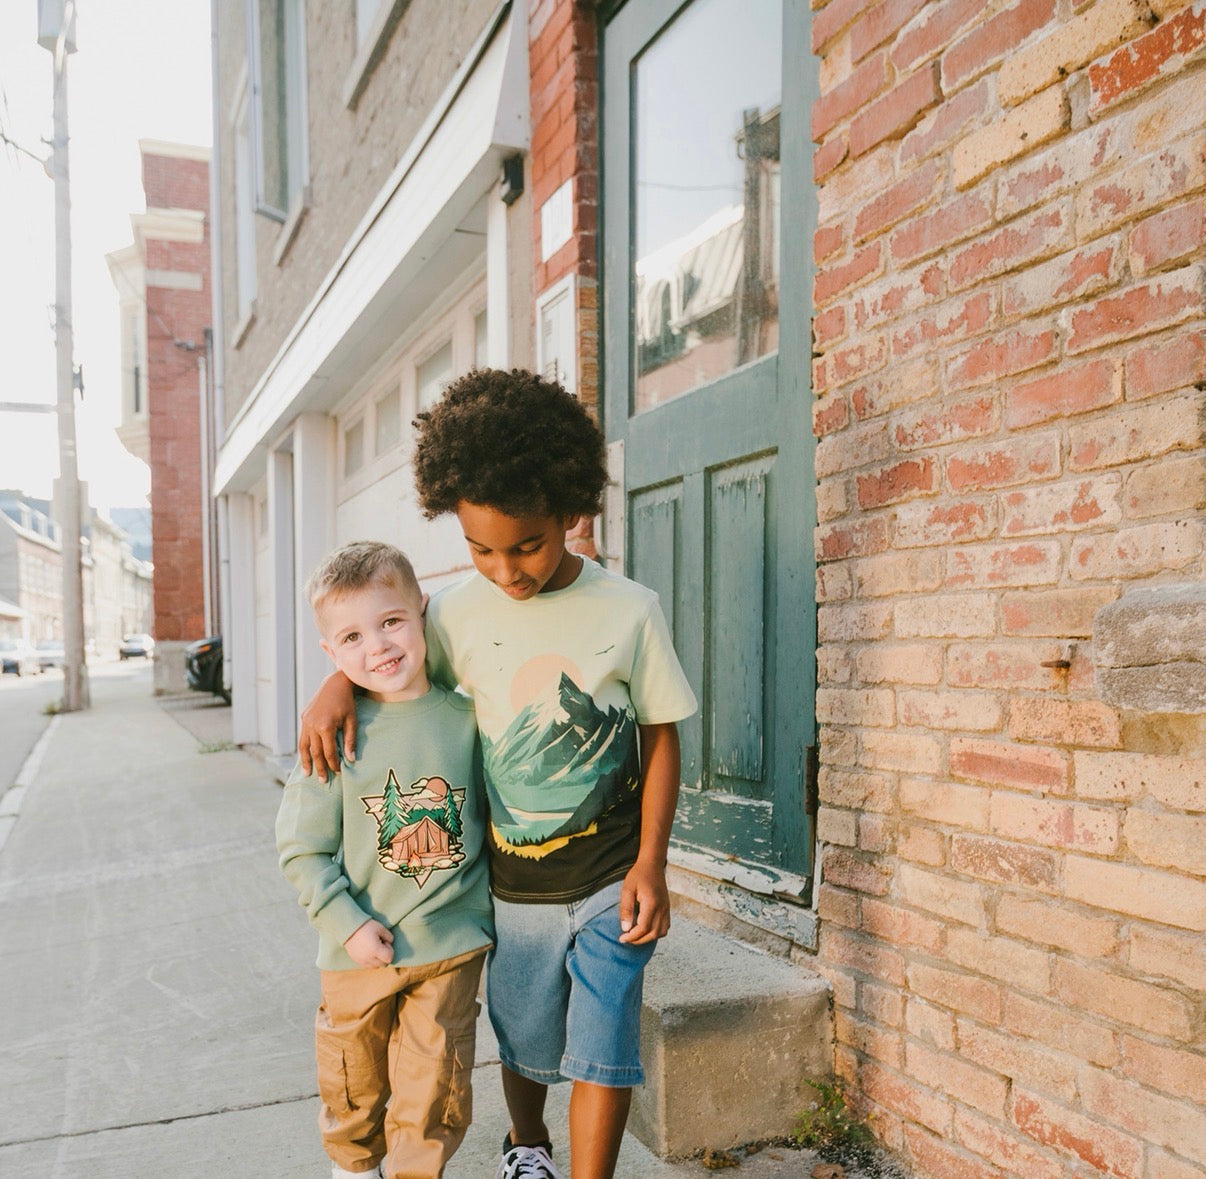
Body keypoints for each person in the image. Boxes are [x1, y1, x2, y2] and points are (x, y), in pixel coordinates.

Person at [298, 370, 698, 1179]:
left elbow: (661, 735)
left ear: (571, 514)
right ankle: (529, 1143)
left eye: (528, 546)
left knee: (604, 1041)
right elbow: (393, 667)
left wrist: (652, 861)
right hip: (509, 886)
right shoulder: (452, 613)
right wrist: (339, 680)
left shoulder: (629, 609)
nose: (507, 569)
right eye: (482, 549)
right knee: (526, 1036)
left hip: (609, 875)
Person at [277, 541, 493, 1179]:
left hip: (449, 946)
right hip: (355, 955)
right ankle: (353, 1170)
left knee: (434, 1092)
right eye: (352, 637)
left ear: (421, 610)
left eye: (391, 621)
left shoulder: (470, 720)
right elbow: (302, 848)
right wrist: (345, 923)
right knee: (353, 1088)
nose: (378, 646)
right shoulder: (332, 735)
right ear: (331, 653)